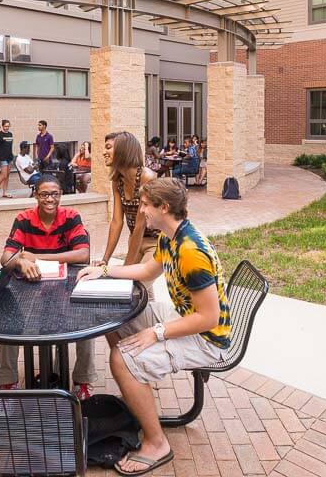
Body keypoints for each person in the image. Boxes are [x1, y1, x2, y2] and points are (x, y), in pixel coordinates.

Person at [76, 178, 229, 475]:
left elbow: (209, 318)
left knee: (121, 357)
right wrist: (104, 271)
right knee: (112, 315)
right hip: (184, 317)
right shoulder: (168, 236)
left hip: (207, 338)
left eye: (146, 205)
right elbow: (148, 269)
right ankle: (135, 384)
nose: (141, 210)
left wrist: (156, 333)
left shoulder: (191, 252)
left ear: (164, 207)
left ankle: (157, 442)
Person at [0, 175, 97, 399]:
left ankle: (82, 381)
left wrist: (37, 257)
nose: (49, 199)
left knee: (86, 322)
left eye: (54, 194)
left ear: (61, 195)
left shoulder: (71, 217)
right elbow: (6, 257)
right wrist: (21, 261)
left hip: (66, 286)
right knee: (8, 319)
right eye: (44, 194)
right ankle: (7, 381)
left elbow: (83, 253)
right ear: (35, 195)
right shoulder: (24, 219)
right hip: (31, 289)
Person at [97, 131, 159, 298]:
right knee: (143, 294)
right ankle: (149, 318)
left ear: (124, 150)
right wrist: (105, 259)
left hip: (157, 242)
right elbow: (117, 221)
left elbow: (140, 224)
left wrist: (126, 269)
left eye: (108, 147)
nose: (104, 152)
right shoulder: (118, 180)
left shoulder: (147, 178)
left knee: (132, 289)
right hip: (135, 239)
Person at [0, 119, 15, 198]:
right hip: (2, 157)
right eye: (5, 126)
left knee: (7, 175)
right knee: (3, 175)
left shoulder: (10, 134)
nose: (7, 128)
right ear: (2, 126)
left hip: (9, 157)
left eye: (8, 126)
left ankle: (4, 192)